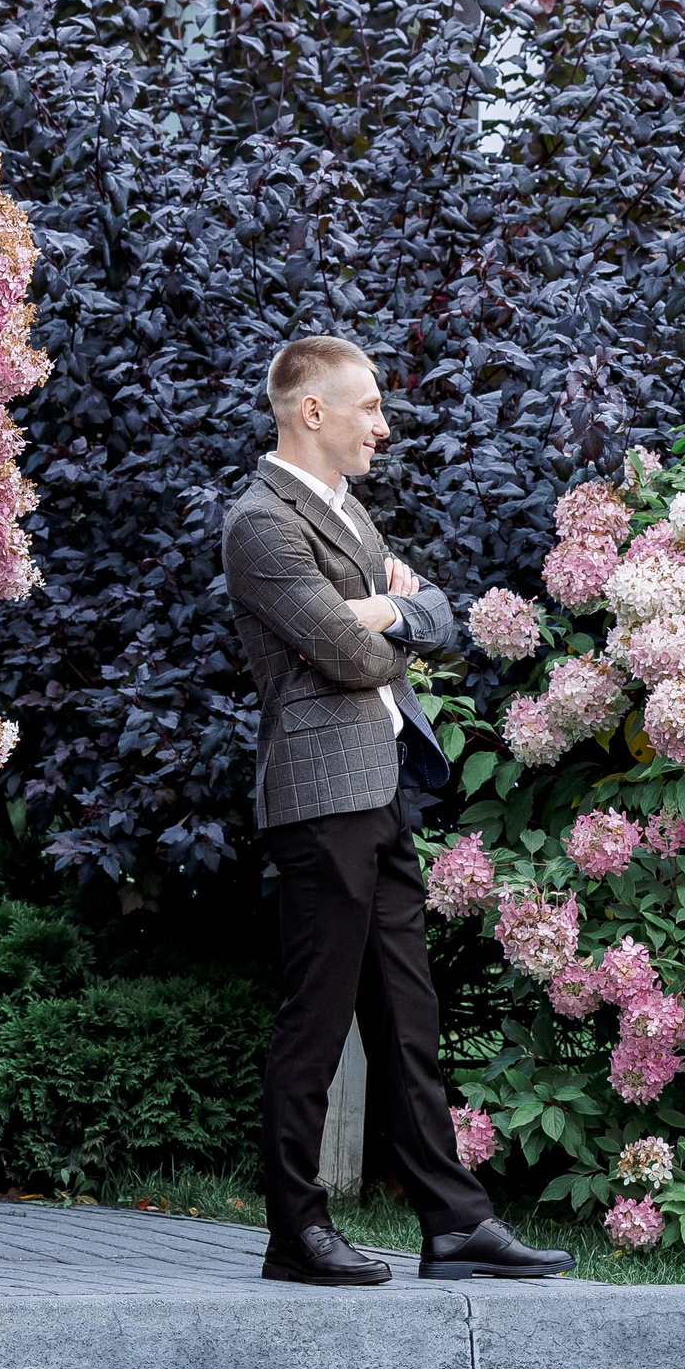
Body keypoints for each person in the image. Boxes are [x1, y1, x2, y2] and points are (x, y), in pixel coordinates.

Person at [223, 335, 571, 1287]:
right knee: (318, 1020)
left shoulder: (346, 516)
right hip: (321, 799)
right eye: (369, 407)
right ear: (312, 412)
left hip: (376, 791)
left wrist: (380, 610)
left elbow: (441, 619)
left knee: (408, 1017)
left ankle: (454, 1224)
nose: (383, 425)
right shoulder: (262, 523)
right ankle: (294, 1231)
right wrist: (382, 614)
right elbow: (353, 656)